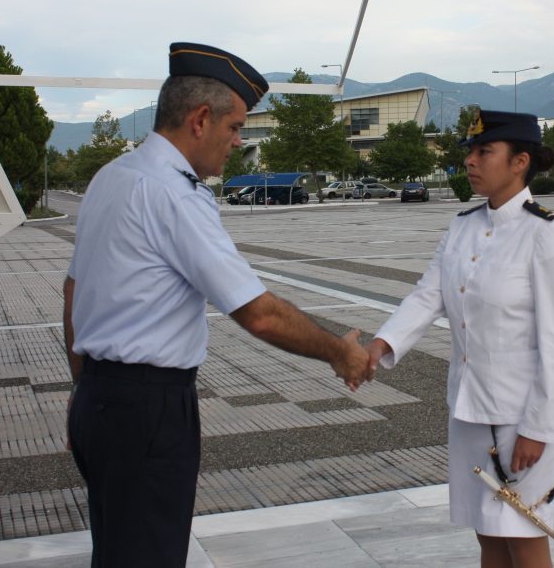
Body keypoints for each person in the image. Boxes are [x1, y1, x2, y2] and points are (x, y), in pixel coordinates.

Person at [63, 42, 371, 567]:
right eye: (235, 128)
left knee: (119, 551)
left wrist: (89, 386)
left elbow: (72, 293)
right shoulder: (175, 194)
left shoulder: (111, 177)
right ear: (201, 119)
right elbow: (260, 313)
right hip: (147, 408)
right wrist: (338, 352)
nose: (237, 142)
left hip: (100, 400)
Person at [367, 109, 554, 568]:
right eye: (470, 152)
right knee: (488, 536)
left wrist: (537, 429)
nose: (471, 161)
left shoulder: (548, 234)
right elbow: (428, 296)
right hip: (469, 409)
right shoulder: (462, 226)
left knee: (523, 534)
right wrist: (379, 347)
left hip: (523, 416)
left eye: (485, 151)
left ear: (521, 161)